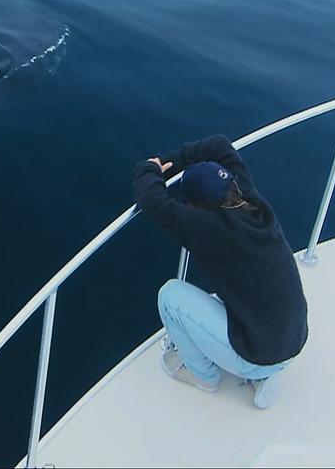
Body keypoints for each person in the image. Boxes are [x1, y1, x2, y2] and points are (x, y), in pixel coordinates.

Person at [132, 134, 308, 409]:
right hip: (293, 341)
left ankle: (204, 376)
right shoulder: (252, 199)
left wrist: (152, 167)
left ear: (198, 207)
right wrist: (176, 160)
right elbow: (221, 146)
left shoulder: (206, 229)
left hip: (258, 353)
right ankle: (263, 372)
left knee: (170, 296)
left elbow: (151, 198)